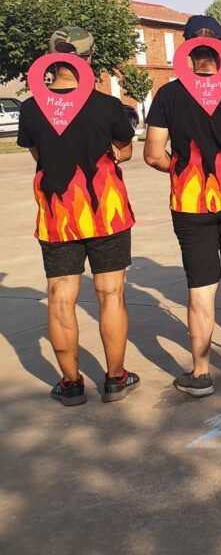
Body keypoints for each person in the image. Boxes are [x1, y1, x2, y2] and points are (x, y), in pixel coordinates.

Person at [144, 14, 221, 396]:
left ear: (187, 49)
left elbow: (153, 154)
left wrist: (179, 169)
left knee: (200, 287)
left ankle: (200, 373)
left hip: (191, 203)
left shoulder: (168, 96)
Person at [17, 27, 140, 405]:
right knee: (110, 293)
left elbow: (39, 156)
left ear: (52, 59)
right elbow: (124, 150)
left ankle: (70, 383)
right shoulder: (107, 105)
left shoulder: (31, 108)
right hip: (106, 211)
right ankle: (116, 378)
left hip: (58, 213)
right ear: (88, 59)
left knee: (60, 295)